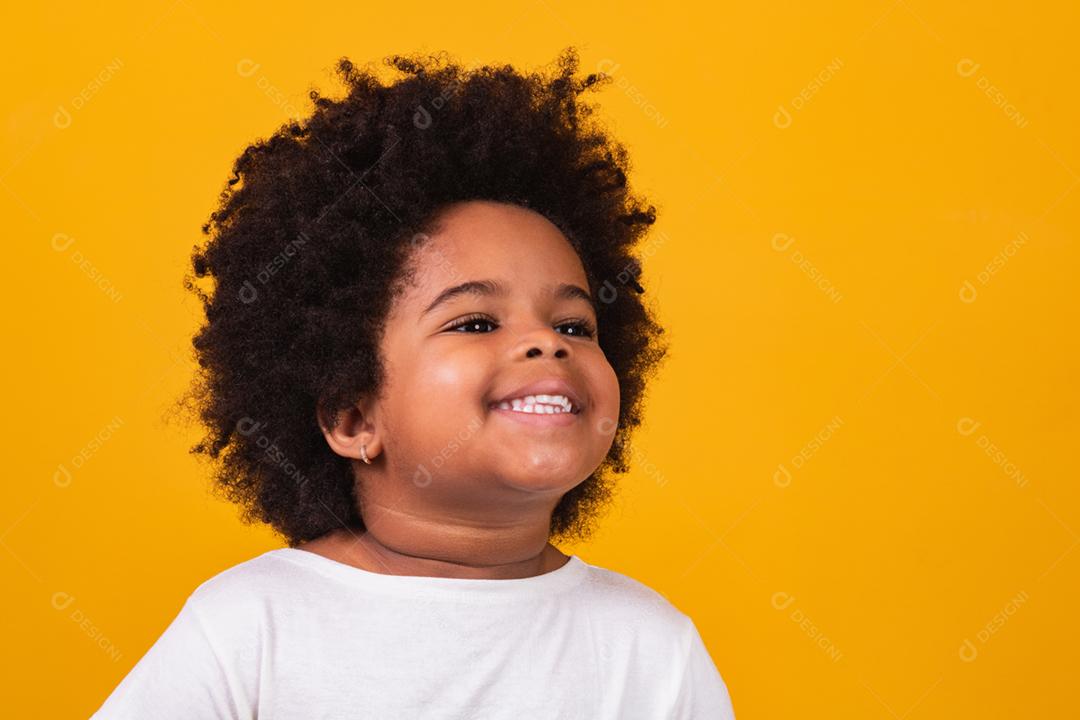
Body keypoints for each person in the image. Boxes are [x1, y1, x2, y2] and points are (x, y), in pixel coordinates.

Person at [90, 47, 736, 719]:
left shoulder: (651, 649)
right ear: (352, 417)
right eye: (477, 322)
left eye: (575, 326)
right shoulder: (251, 629)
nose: (547, 341)